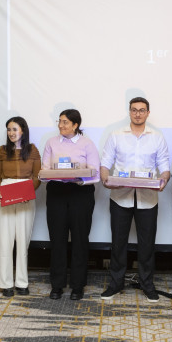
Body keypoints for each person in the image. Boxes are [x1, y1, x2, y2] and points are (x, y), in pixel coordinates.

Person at [100, 97, 170, 302]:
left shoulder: (157, 137)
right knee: (118, 243)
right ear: (129, 112)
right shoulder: (116, 135)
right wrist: (105, 179)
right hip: (120, 197)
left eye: (142, 110)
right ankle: (115, 284)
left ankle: (147, 285)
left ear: (148, 113)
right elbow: (105, 163)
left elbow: (164, 165)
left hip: (148, 199)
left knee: (147, 245)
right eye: (134, 110)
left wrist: (164, 180)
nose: (138, 113)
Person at [42, 109, 100, 300]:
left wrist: (80, 179)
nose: (61, 125)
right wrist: (50, 175)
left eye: (65, 122)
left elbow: (95, 173)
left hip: (80, 193)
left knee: (80, 240)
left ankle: (77, 285)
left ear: (75, 125)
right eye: (59, 121)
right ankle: (57, 285)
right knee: (57, 240)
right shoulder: (51, 142)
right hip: (56, 193)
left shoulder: (87, 144)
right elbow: (44, 170)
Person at [0, 117, 41, 297]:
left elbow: (37, 176)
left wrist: (28, 192)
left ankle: (22, 282)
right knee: (5, 240)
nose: (11, 133)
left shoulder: (33, 150)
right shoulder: (2, 150)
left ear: (23, 130)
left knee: (23, 241)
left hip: (26, 196)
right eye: (8, 129)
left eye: (14, 129)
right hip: (5, 194)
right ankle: (5, 283)